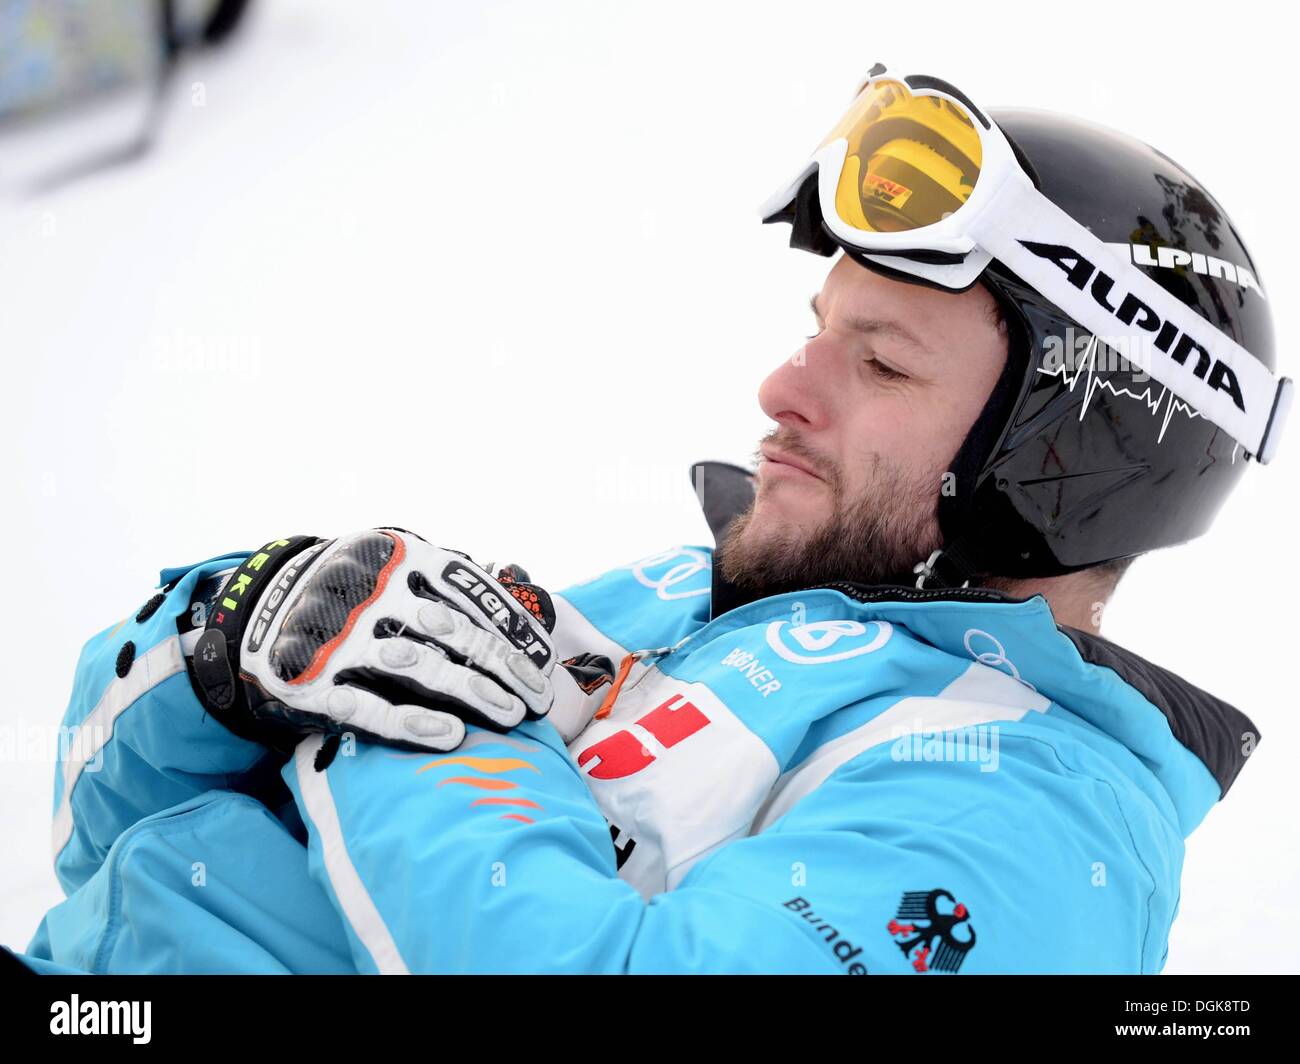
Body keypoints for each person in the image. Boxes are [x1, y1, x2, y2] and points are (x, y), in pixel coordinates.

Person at [12, 64, 1292, 975]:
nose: (782, 391)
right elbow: (111, 854)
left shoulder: (1029, 811)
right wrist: (223, 653)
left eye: (883, 363)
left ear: (1062, 454)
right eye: (815, 336)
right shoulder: (683, 600)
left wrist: (446, 720)